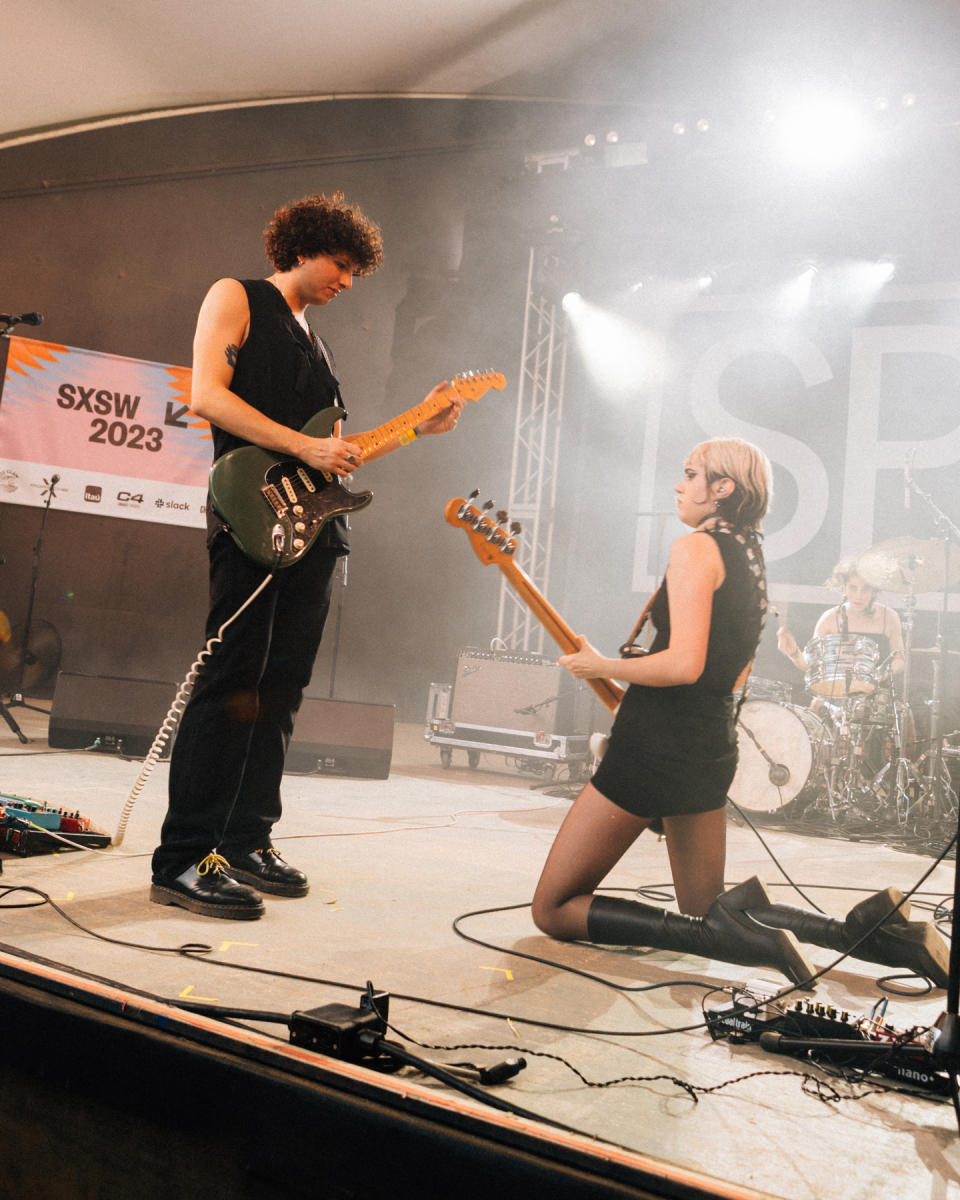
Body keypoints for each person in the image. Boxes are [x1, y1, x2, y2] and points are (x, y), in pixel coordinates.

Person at [531, 439, 949, 987]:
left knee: (553, 908)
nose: (679, 486)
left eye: (691, 474)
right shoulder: (748, 554)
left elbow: (683, 664)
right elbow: (733, 673)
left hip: (654, 743)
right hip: (708, 744)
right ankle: (869, 935)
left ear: (722, 488)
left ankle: (732, 941)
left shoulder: (696, 549)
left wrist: (600, 665)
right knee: (710, 905)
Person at [150, 191, 464, 920]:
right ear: (302, 246)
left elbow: (333, 455)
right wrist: (301, 445)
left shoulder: (314, 344)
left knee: (281, 689)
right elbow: (206, 395)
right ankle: (184, 859)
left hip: (311, 530)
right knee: (231, 678)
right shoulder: (239, 297)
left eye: (357, 272)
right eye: (342, 265)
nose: (348, 283)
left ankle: (246, 839)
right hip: (252, 518)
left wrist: (418, 428)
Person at [777, 558, 905, 683]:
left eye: (865, 589)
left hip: (879, 696)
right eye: (853, 588)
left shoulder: (889, 617)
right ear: (844, 587)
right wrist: (794, 653)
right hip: (839, 697)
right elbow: (811, 665)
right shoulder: (829, 619)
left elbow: (899, 660)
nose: (858, 596)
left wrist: (881, 675)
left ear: (874, 590)